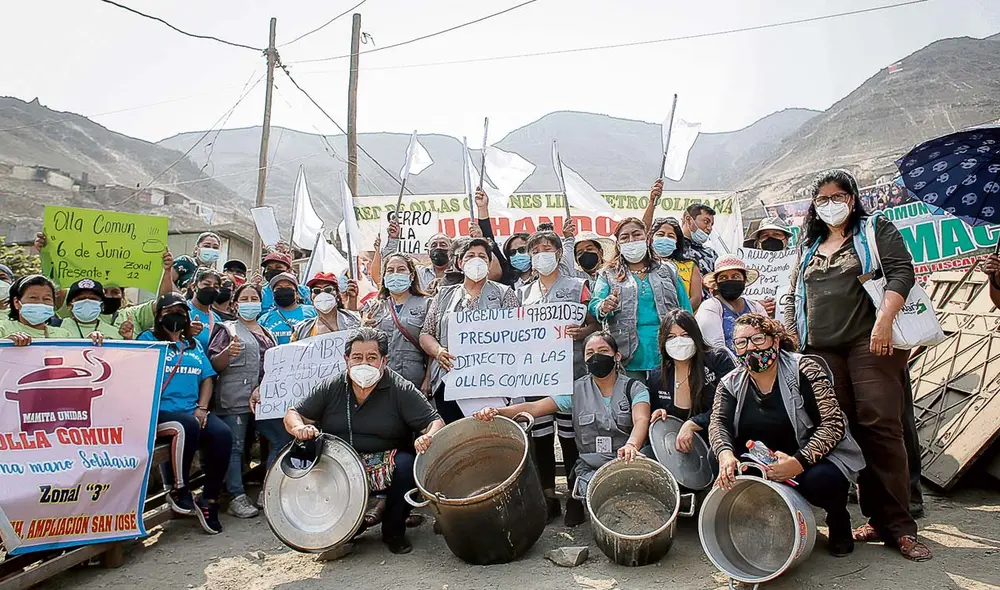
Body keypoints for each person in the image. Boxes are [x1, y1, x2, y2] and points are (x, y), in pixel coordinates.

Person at [784, 169, 931, 561]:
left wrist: (884, 320)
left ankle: (899, 525)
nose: (830, 204)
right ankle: (874, 518)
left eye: (838, 196)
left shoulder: (873, 229)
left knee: (881, 426)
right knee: (844, 432)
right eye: (822, 199)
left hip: (871, 343)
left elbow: (902, 272)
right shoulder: (809, 243)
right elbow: (793, 292)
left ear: (852, 198)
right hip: (821, 350)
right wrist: (790, 334)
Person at [710, 314, 866, 557]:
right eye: (741, 343)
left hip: (807, 456)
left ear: (775, 340)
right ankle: (762, 519)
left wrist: (797, 462)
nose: (750, 347)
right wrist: (725, 455)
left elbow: (833, 424)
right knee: (718, 460)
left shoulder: (804, 368)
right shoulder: (730, 382)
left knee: (823, 479)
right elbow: (718, 422)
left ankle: (838, 518)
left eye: (758, 339)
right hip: (761, 457)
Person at [283, 327, 445, 554]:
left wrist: (428, 436)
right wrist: (300, 428)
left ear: (384, 361)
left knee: (408, 465)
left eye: (372, 357)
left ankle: (393, 530)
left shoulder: (399, 388)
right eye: (357, 357)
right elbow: (293, 414)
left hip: (384, 462)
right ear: (346, 359)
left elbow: (435, 421)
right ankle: (347, 528)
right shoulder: (332, 386)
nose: (364, 363)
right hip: (337, 464)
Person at [473, 331, 651, 525]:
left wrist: (632, 445)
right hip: (591, 469)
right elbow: (534, 407)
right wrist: (497, 411)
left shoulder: (635, 388)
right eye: (590, 353)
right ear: (584, 360)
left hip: (626, 463)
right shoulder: (575, 391)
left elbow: (642, 419)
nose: (596, 356)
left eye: (603, 350)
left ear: (617, 356)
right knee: (604, 501)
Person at [516, 230, 598, 525]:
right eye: (536, 249)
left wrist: (583, 332)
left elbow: (594, 322)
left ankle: (576, 498)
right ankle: (548, 496)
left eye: (548, 248)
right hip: (536, 375)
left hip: (571, 372)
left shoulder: (579, 286)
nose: (542, 253)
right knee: (539, 436)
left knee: (570, 436)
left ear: (559, 254)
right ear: (531, 257)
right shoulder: (522, 292)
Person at [138, 292, 232, 535]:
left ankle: (208, 499)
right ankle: (179, 490)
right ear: (159, 315)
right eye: (170, 312)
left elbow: (208, 378)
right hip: (157, 413)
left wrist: (202, 408)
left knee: (223, 434)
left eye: (181, 312)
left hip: (191, 410)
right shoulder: (147, 340)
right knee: (186, 426)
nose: (176, 317)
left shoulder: (192, 344)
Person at [207, 283, 287, 518]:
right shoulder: (227, 329)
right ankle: (236, 496)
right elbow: (214, 364)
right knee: (236, 447)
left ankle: (268, 489)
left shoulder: (267, 331)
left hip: (265, 399)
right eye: (245, 298)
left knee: (281, 438)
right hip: (234, 399)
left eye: (255, 298)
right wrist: (227, 353)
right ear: (235, 303)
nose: (250, 302)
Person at [419, 237, 519, 423]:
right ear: (459, 262)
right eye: (470, 256)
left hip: (492, 382)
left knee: (490, 437)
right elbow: (426, 333)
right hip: (449, 380)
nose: (476, 260)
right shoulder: (444, 295)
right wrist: (438, 351)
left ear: (489, 264)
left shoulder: (504, 293)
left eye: (482, 256)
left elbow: (518, 334)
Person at [589, 217, 692, 380]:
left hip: (668, 352)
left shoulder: (668, 270)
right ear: (618, 244)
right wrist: (604, 306)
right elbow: (595, 304)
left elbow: (686, 309)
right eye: (625, 237)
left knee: (668, 402)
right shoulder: (608, 274)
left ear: (647, 238)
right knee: (637, 402)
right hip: (627, 357)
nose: (631, 240)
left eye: (637, 235)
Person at [647, 309, 735, 452]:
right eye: (671, 337)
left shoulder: (718, 360)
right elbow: (655, 411)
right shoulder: (657, 376)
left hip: (717, 442)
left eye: (685, 335)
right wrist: (658, 413)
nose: (679, 341)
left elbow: (730, 404)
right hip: (677, 448)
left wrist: (694, 423)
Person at [364, 254, 431, 393]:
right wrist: (363, 326)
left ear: (411, 276)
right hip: (379, 380)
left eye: (401, 270)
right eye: (390, 270)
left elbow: (433, 346)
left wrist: (429, 378)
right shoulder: (373, 307)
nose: (395, 274)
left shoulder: (427, 304)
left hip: (414, 381)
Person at [696, 254, 767, 356]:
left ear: (744, 280)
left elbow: (768, 337)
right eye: (723, 278)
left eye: (735, 276)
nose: (730, 280)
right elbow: (717, 347)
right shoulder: (710, 307)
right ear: (716, 283)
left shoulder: (755, 307)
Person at [649, 217, 704, 310]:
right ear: (651, 239)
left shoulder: (690, 266)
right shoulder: (642, 265)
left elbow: (696, 298)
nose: (665, 238)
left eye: (670, 236)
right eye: (660, 234)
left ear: (677, 241)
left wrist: (676, 317)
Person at [2, 275, 75, 343]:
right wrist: (6, 344)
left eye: (47, 299)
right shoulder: (3, 329)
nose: (40, 303)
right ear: (17, 302)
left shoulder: (63, 335)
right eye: (33, 298)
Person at [291, 272, 358, 341]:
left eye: (328, 290)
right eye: (317, 291)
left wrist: (352, 299)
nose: (322, 294)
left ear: (337, 294)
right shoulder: (302, 330)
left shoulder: (352, 323)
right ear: (311, 297)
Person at [259, 272, 318, 345]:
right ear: (273, 295)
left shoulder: (313, 311)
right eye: (279, 288)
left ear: (297, 294)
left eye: (288, 288)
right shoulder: (264, 319)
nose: (283, 291)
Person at [681, 203, 719, 289]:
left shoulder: (711, 254)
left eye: (711, 224)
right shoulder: (673, 249)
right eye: (706, 222)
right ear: (689, 220)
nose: (709, 228)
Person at [186, 268, 224, 351]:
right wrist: (186, 333)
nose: (211, 289)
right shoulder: (182, 309)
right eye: (207, 284)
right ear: (193, 287)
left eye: (216, 287)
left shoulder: (216, 319)